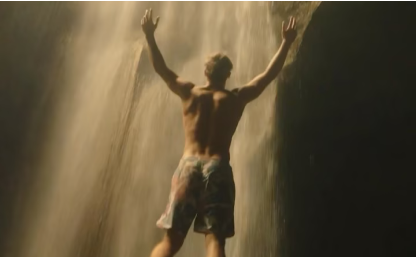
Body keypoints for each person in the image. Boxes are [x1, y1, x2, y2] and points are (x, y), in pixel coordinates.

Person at [141, 8, 297, 257]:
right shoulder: (236, 98)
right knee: (215, 242)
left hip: (188, 166)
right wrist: (286, 43)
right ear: (227, 75)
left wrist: (149, 35)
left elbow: (162, 69)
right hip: (218, 167)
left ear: (205, 71)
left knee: (170, 241)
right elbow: (266, 77)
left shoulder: (189, 93)